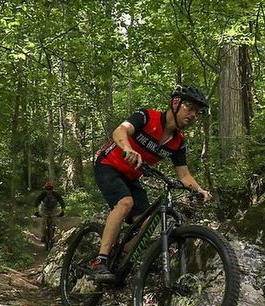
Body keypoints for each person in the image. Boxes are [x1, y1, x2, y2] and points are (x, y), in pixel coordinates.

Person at [90, 84, 212, 282]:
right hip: (107, 164)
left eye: (197, 112)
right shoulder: (147, 117)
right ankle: (100, 260)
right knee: (125, 202)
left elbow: (184, 175)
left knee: (148, 222)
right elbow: (120, 131)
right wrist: (128, 149)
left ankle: (120, 258)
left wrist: (199, 190)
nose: (193, 115)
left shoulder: (178, 142)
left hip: (131, 176)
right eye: (189, 108)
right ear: (175, 103)